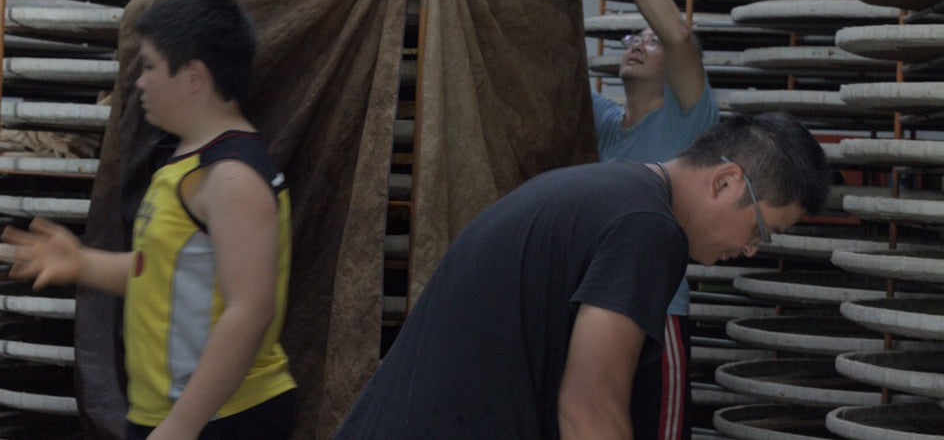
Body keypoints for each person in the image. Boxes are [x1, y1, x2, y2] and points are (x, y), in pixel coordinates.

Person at [334, 111, 829, 440]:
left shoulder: (606, 191)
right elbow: (589, 407)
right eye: (762, 230)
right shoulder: (649, 230)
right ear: (725, 181)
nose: (748, 249)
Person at [2, 0, 297, 440]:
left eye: (152, 67)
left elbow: (250, 310)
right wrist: (83, 262)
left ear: (194, 76)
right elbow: (163, 274)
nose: (140, 81)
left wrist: (181, 425)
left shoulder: (232, 177)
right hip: (176, 418)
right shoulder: (187, 162)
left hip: (225, 420)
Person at [579, 0, 719, 439]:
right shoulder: (604, 122)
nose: (638, 43)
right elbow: (548, 61)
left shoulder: (690, 122)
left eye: (650, 40)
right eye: (632, 38)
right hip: (596, 312)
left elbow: (679, 36)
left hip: (658, 317)